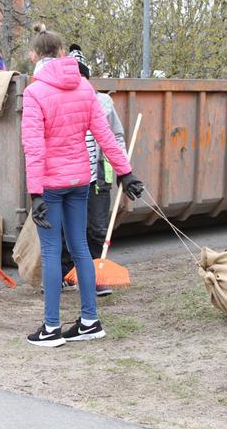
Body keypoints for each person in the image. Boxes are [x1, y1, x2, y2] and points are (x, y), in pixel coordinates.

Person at [21, 24, 143, 347]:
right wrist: (125, 173)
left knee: (51, 251)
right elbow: (105, 136)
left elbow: (34, 149)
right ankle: (90, 320)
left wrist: (34, 194)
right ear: (63, 53)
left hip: (49, 184)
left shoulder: (34, 93)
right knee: (80, 250)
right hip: (80, 181)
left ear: (36, 56)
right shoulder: (85, 89)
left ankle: (51, 328)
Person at [60, 44, 125, 298]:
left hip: (99, 175)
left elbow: (116, 136)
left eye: (83, 76)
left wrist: (123, 167)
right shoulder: (63, 102)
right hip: (71, 175)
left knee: (97, 228)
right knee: (69, 228)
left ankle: (96, 275)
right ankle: (67, 274)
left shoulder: (104, 102)